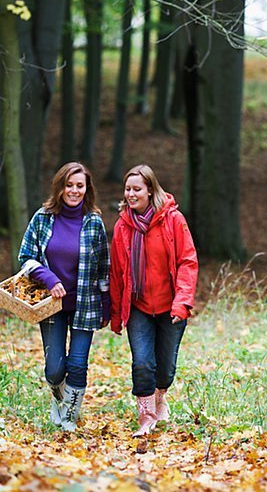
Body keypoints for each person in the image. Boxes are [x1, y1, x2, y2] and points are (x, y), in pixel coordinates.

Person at [18, 162, 110, 432]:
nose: (74, 190)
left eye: (79, 185)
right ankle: (59, 399)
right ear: (60, 187)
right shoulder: (43, 217)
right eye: (69, 185)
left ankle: (69, 417)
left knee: (78, 365)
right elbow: (26, 257)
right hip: (50, 305)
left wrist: (106, 306)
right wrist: (50, 278)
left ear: (86, 189)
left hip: (86, 305)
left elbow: (104, 268)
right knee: (55, 370)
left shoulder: (94, 222)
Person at [110, 164, 198, 436]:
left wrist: (182, 302)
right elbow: (116, 273)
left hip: (170, 306)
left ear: (150, 190)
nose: (131, 194)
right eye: (128, 189)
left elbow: (187, 261)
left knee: (166, 368)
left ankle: (160, 400)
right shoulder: (122, 227)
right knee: (142, 363)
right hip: (138, 306)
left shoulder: (173, 220)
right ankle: (145, 415)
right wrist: (115, 314)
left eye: (137, 189)